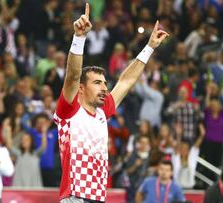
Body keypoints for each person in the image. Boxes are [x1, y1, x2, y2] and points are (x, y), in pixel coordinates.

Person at [53, 3, 169, 203]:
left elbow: (126, 81)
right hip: (76, 197)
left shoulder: (102, 111)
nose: (104, 88)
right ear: (81, 88)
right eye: (97, 83)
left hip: (99, 197)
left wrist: (149, 48)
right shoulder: (69, 110)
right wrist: (79, 38)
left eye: (105, 83)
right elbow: (72, 76)